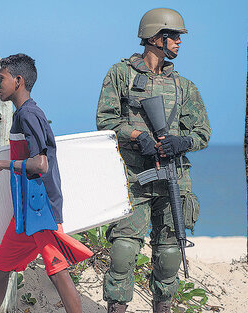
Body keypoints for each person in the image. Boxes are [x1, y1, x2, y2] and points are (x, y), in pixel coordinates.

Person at [96, 8, 211, 313]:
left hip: (172, 177)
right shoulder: (121, 74)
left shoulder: (184, 86)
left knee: (170, 253)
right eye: (173, 36)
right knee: (123, 250)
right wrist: (137, 137)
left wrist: (181, 142)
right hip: (134, 176)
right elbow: (105, 121)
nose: (178, 42)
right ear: (155, 38)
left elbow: (202, 133)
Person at [0, 54, 93, 313]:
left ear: (18, 81)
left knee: (58, 273)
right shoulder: (23, 114)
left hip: (40, 209)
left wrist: (3, 165)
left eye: (1, 79)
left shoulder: (29, 114)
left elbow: (39, 164)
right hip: (26, 212)